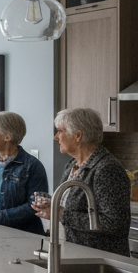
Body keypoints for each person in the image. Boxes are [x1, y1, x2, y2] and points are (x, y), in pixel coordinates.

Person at [31, 107, 131, 256]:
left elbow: (114, 224)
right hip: (73, 252)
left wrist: (61, 214)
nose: (56, 137)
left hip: (98, 258)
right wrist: (52, 206)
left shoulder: (107, 169)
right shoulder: (72, 165)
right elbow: (74, 207)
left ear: (77, 136)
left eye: (60, 131)